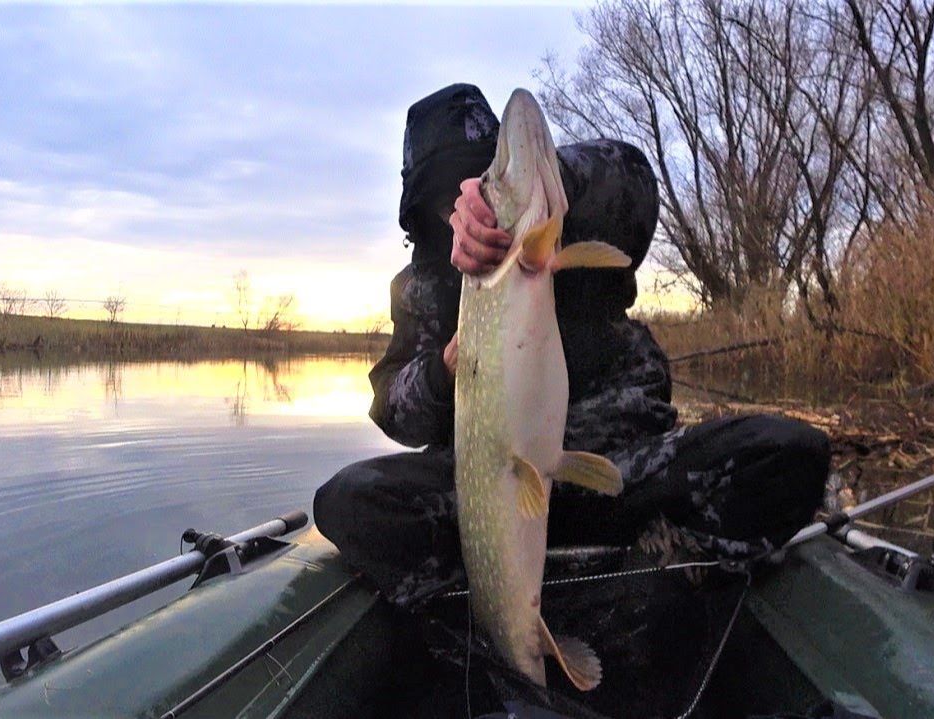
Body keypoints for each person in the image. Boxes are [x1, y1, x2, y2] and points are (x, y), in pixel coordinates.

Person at [314, 83, 829, 610]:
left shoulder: (572, 214)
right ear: (423, 211)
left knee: (787, 453)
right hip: (496, 493)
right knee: (347, 501)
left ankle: (654, 582)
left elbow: (632, 180)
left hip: (621, 474)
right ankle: (476, 603)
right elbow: (393, 408)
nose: (465, 207)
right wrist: (445, 372)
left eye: (477, 178)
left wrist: (552, 182)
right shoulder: (418, 286)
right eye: (447, 197)